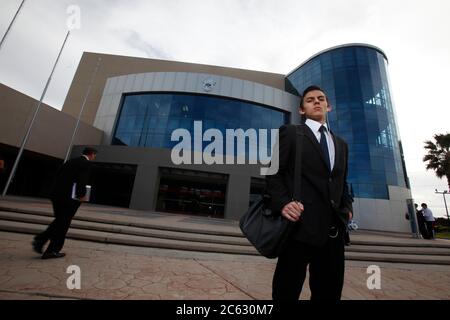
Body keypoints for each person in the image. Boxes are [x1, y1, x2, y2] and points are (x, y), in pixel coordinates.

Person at [266, 85, 353, 300]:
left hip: (333, 232)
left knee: (329, 293)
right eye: (310, 99)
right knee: (286, 291)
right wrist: (284, 203)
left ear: (328, 106)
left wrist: (348, 207)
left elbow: (342, 182)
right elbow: (273, 173)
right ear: (302, 110)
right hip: (299, 227)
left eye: (321, 98)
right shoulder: (291, 133)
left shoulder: (341, 145)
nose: (316, 101)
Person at [32, 147, 97, 259]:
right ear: (91, 154)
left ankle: (41, 240)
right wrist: (81, 195)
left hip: (57, 195)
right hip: (69, 198)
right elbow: (82, 180)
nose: (94, 157)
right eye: (95, 155)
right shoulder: (85, 163)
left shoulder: (70, 161)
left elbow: (58, 176)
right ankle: (50, 249)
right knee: (63, 223)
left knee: (60, 221)